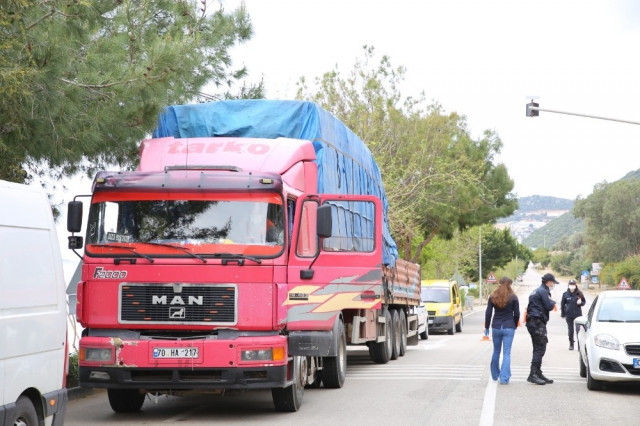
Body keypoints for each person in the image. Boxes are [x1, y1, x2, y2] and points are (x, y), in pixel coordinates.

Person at [485, 276, 520, 384]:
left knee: (496, 351)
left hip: (496, 326)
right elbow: (517, 314)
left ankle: (495, 375)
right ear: (510, 284)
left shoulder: (493, 296)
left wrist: (486, 327)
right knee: (506, 353)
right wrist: (514, 324)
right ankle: (504, 378)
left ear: (500, 283)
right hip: (509, 326)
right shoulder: (513, 297)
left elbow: (488, 313)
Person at [525, 273, 558, 385]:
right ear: (549, 282)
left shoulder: (536, 291)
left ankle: (538, 372)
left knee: (537, 347)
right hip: (537, 322)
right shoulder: (543, 291)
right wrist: (553, 301)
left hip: (532, 321)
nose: (553, 285)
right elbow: (548, 306)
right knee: (540, 348)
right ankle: (533, 374)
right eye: (553, 283)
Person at [560, 279, 586, 350]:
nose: (572, 286)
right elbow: (562, 305)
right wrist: (563, 314)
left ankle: (579, 345)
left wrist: (581, 303)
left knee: (578, 330)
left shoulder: (579, 293)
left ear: (575, 285)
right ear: (568, 285)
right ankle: (571, 344)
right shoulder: (565, 294)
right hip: (569, 315)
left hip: (578, 314)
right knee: (570, 330)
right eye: (571, 285)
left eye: (573, 285)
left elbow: (584, 302)